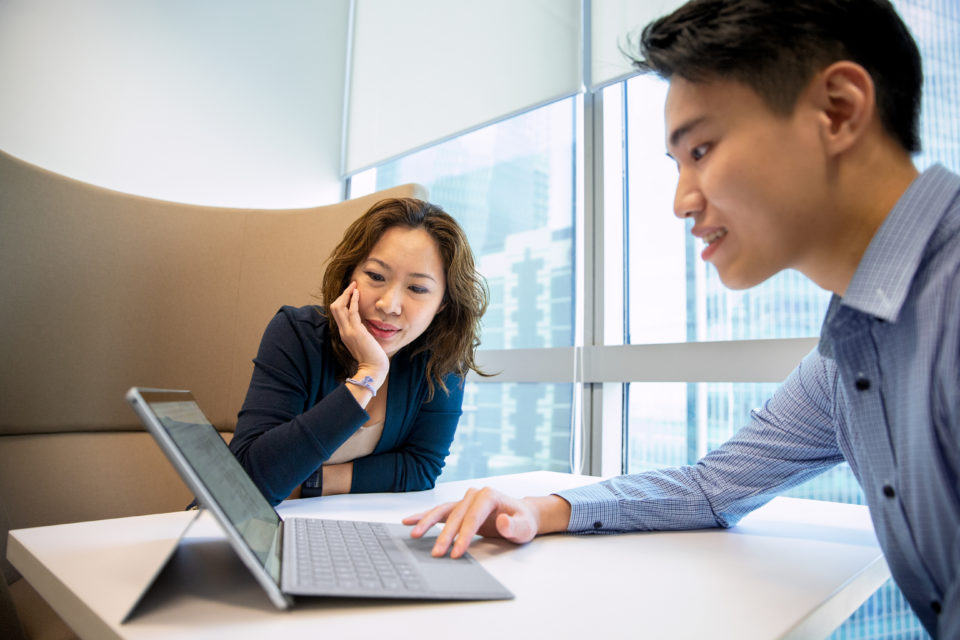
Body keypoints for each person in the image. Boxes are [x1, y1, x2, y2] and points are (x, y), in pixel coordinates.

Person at [403, 1, 960, 637]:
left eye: (701, 149)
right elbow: (712, 487)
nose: (681, 202)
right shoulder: (852, 348)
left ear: (837, 109)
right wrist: (540, 508)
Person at [230, 197, 488, 506]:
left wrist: (311, 482)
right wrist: (369, 374)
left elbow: (421, 467)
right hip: (250, 527)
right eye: (376, 277)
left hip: (352, 522)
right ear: (350, 273)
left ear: (442, 304)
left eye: (418, 289)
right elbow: (245, 483)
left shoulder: (442, 360)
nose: (388, 305)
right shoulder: (296, 333)